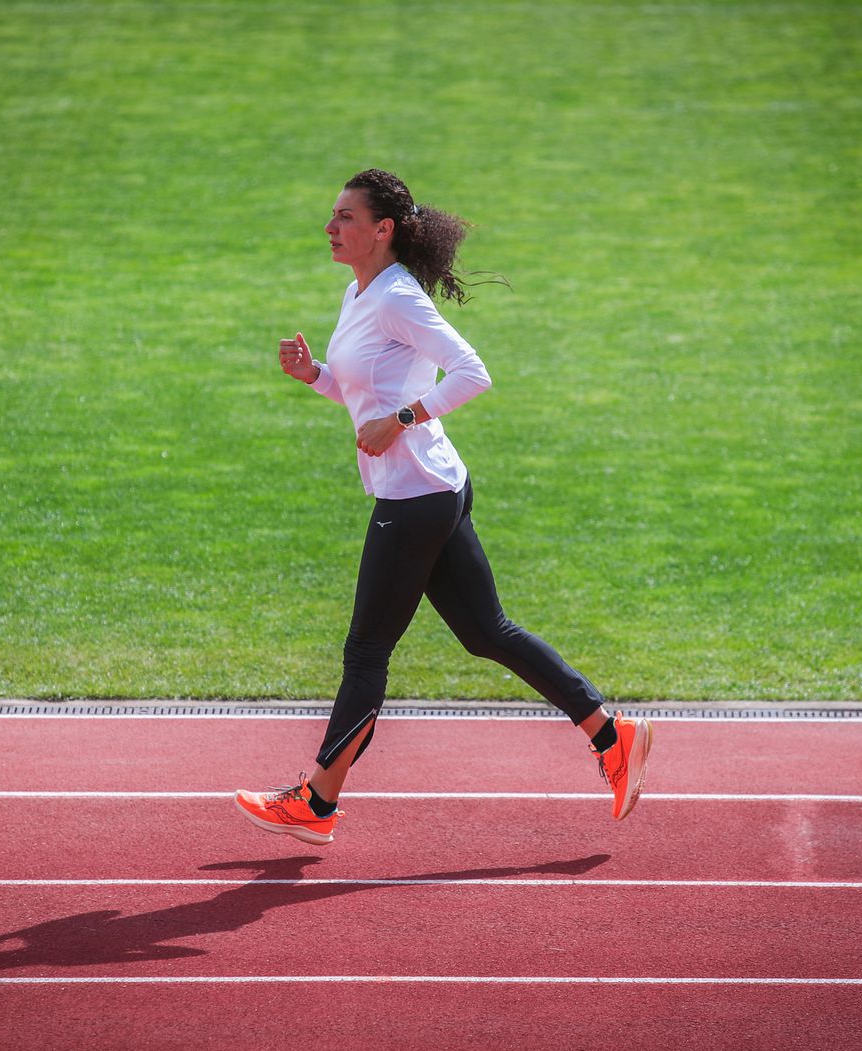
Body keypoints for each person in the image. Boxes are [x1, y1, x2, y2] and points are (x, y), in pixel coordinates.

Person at [234, 169, 651, 846]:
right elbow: (363, 391)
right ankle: (611, 732)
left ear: (382, 230)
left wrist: (401, 417)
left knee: (366, 651)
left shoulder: (398, 297)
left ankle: (316, 801)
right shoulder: (358, 291)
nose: (330, 227)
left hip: (414, 498)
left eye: (344, 216)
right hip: (436, 486)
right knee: (486, 632)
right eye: (331, 216)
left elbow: (471, 374)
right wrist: (315, 376)